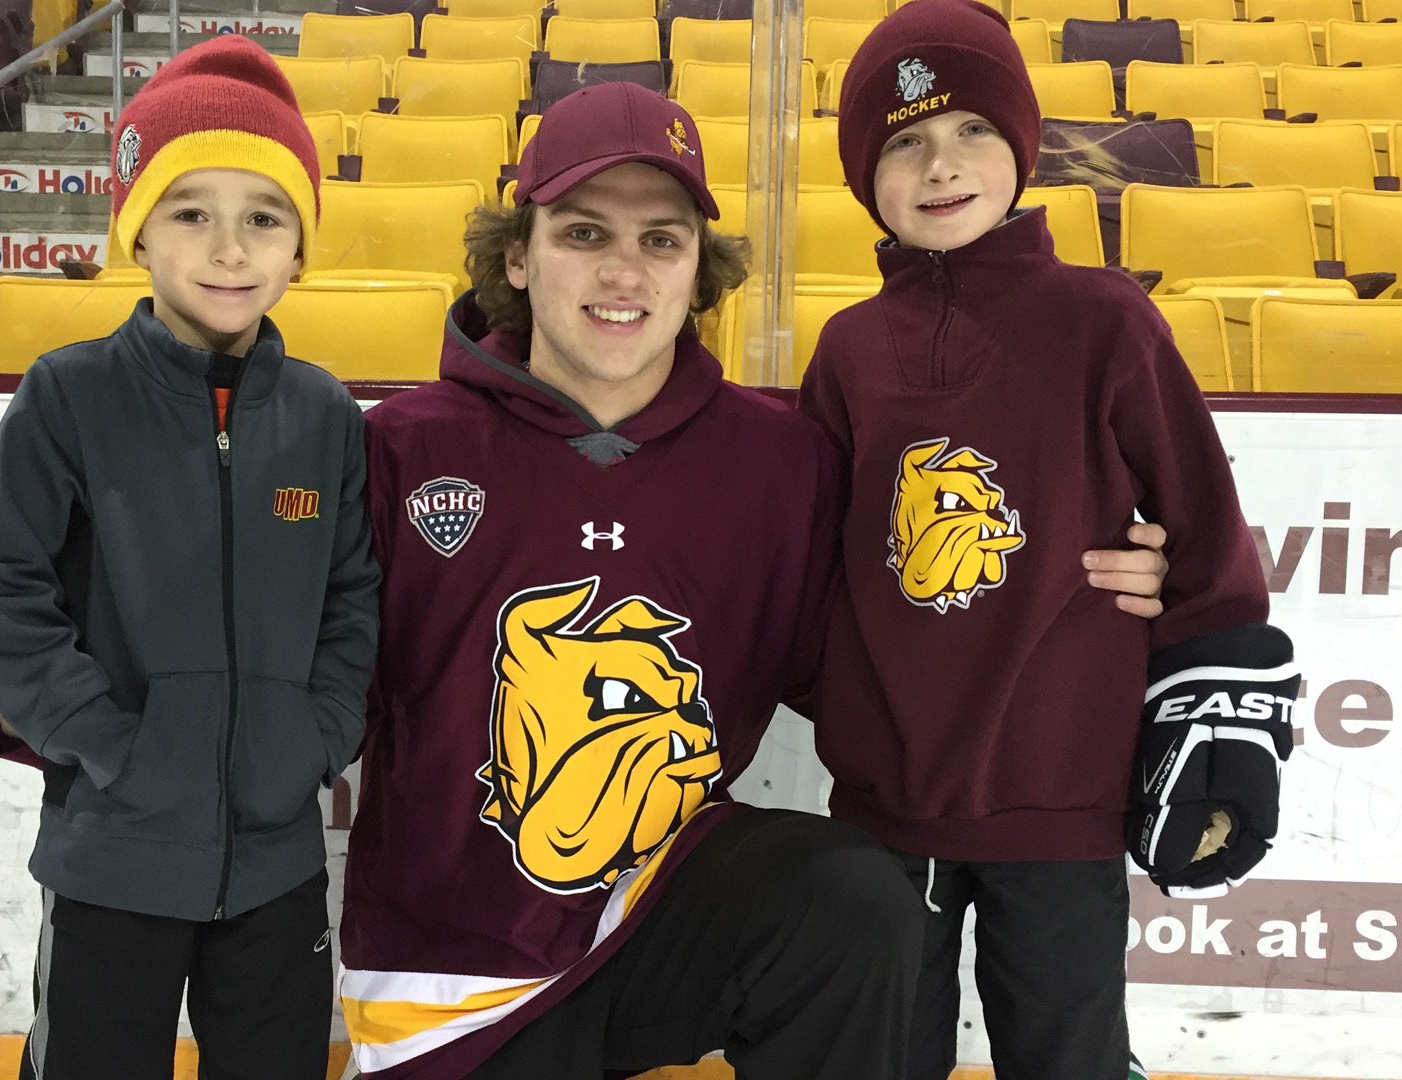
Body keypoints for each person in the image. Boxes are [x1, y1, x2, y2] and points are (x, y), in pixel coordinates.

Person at [335, 82, 1174, 1080]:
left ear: (700, 272)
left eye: (662, 239)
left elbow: (892, 647)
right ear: (518, 256)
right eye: (583, 232)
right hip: (450, 969)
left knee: (850, 897)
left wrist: (1088, 568)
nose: (623, 270)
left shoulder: (781, 463)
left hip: (663, 910)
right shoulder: (396, 450)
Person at [802, 3, 1301, 1078]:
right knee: (879, 1057)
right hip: (889, 802)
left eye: (971, 129)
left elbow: (1207, 539)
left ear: (1022, 145)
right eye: (902, 142)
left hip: (1065, 789)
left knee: (1066, 1057)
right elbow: (807, 566)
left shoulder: (1107, 319)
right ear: (864, 177)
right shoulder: (845, 351)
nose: (941, 163)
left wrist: (1205, 676)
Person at [0, 36, 378, 1080]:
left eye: (263, 217)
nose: (230, 247)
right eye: (192, 212)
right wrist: (99, 741)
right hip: (112, 851)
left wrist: (314, 740)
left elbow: (352, 600)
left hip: (276, 859)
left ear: (299, 252)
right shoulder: (70, 394)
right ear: (138, 233)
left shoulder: (325, 416)